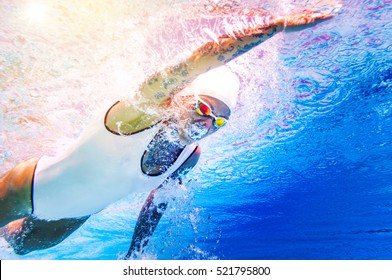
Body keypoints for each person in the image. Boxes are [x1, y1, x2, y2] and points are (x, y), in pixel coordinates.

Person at [0, 7, 337, 257]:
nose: (206, 124)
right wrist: (274, 27)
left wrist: (136, 253)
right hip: (28, 186)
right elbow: (194, 63)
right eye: (203, 108)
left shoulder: (190, 157)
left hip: (72, 214)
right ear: (181, 96)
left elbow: (156, 204)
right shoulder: (138, 113)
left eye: (219, 121)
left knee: (21, 246)